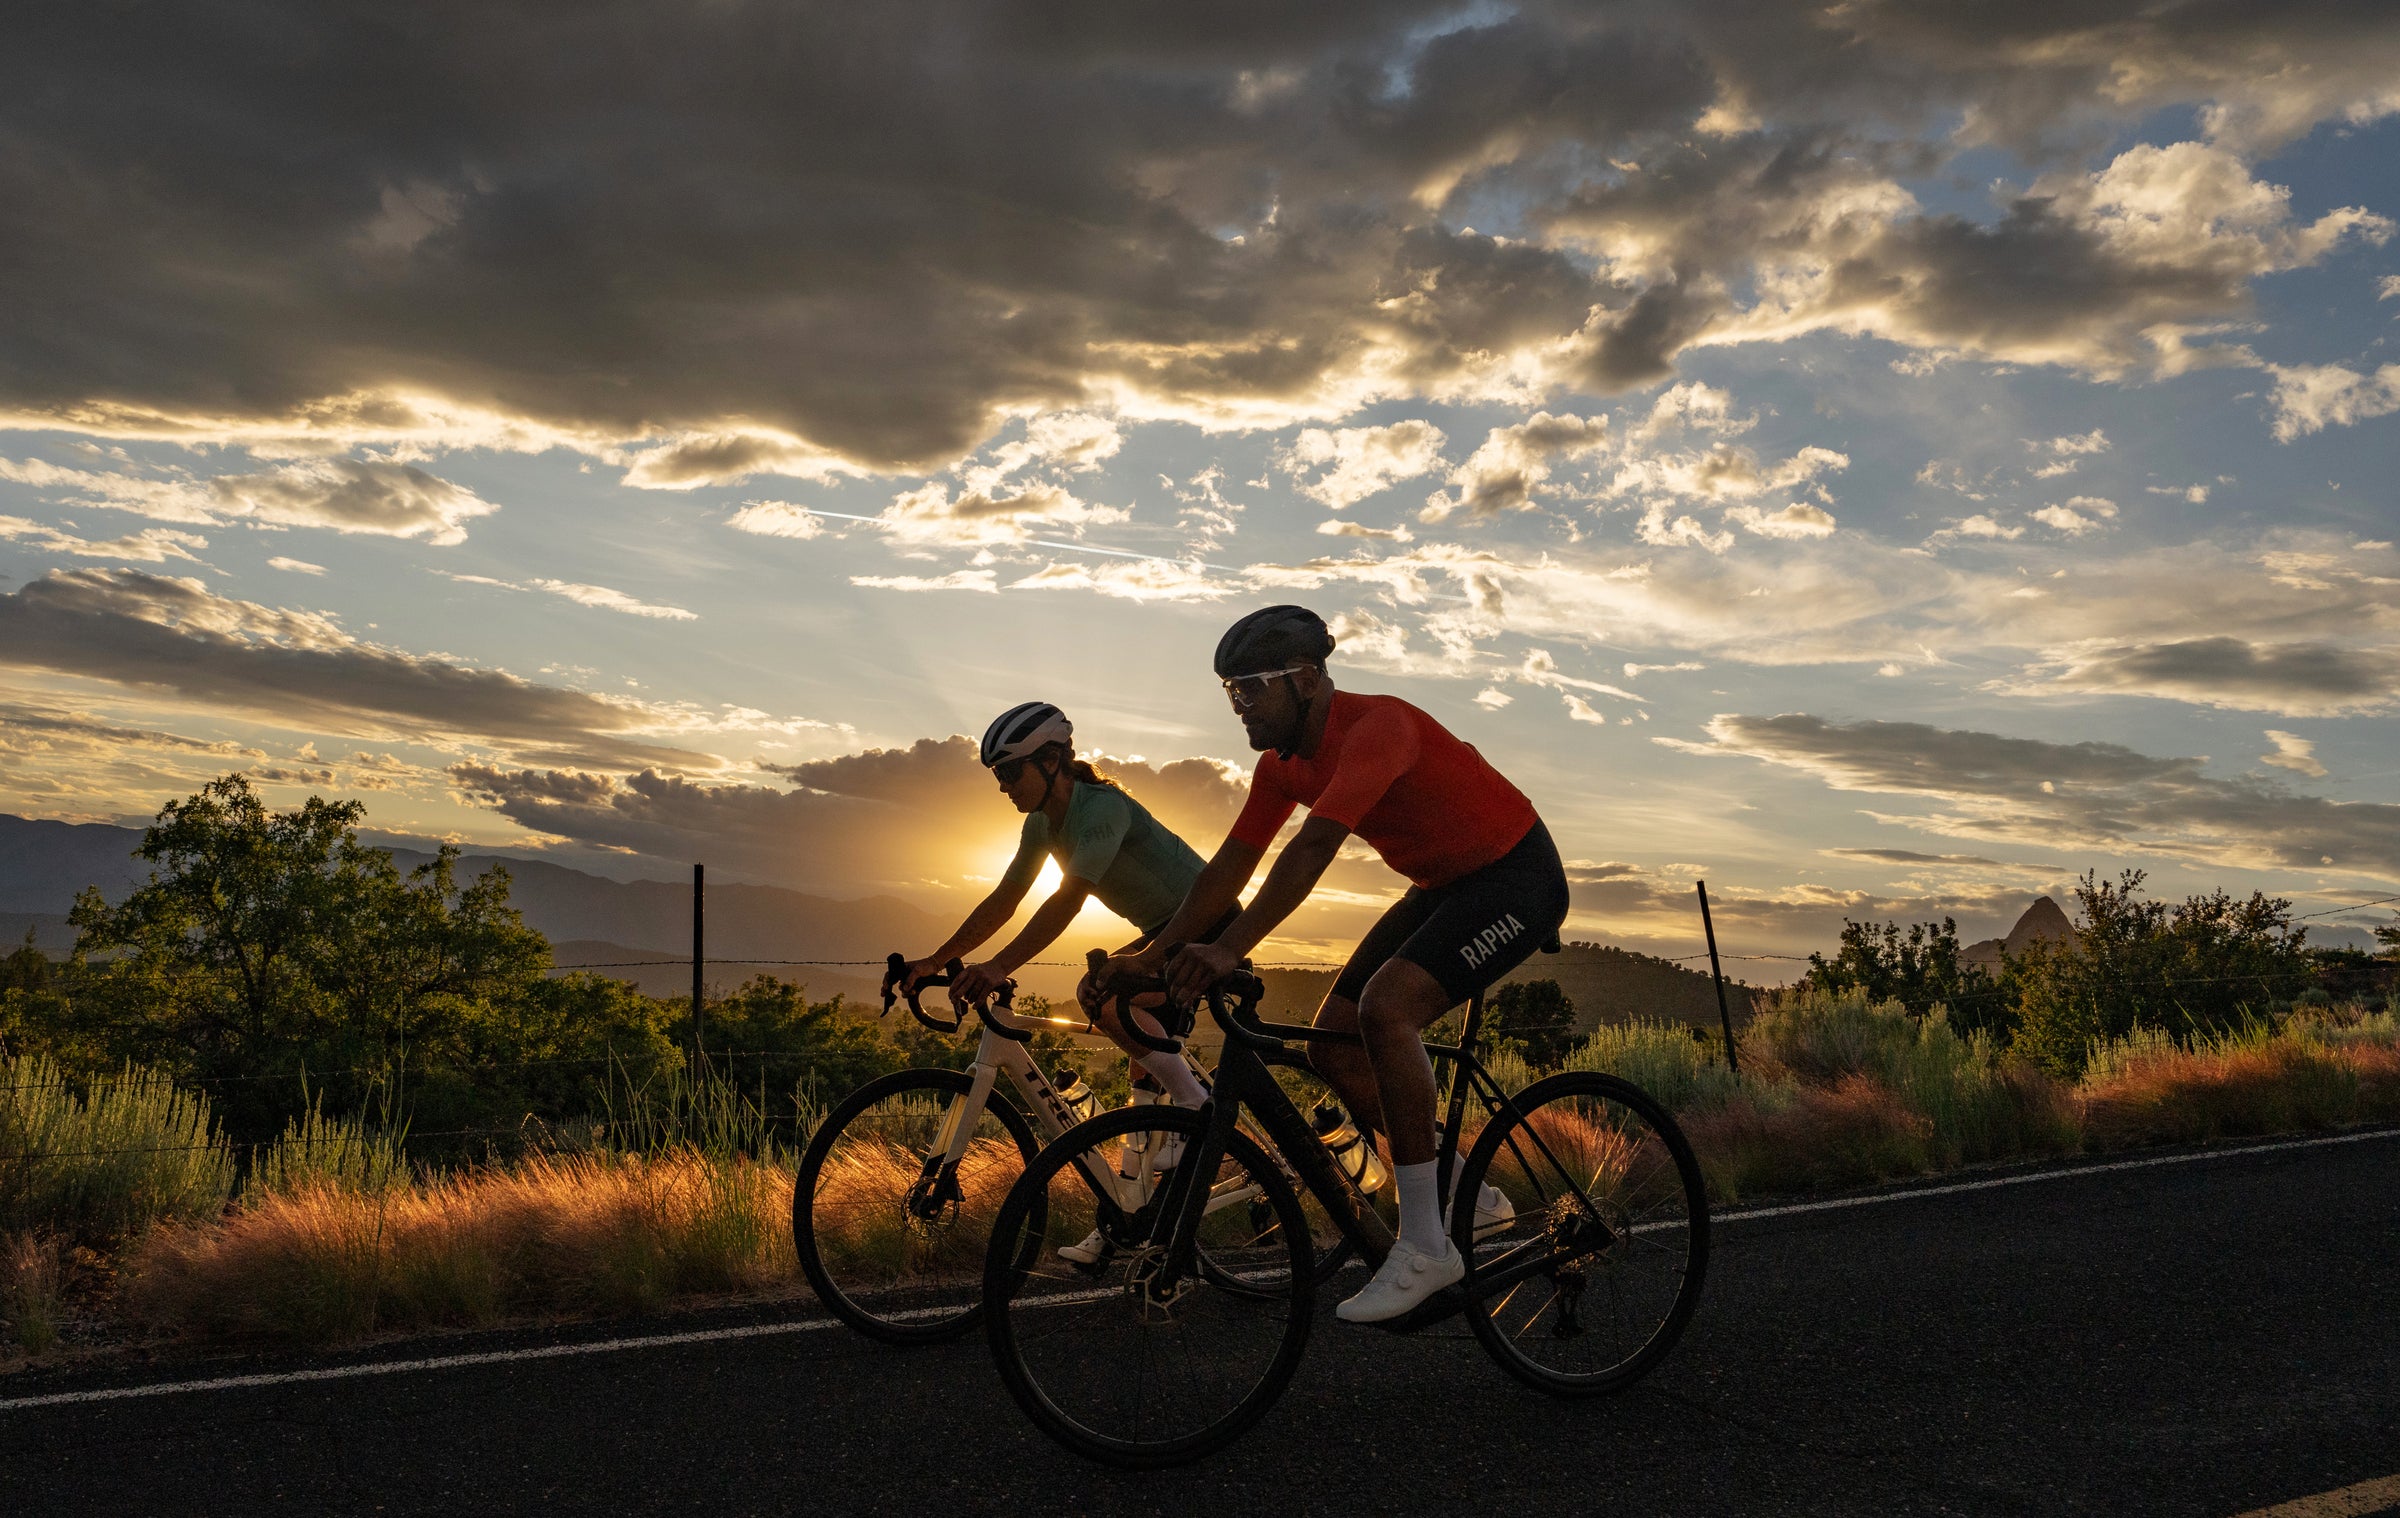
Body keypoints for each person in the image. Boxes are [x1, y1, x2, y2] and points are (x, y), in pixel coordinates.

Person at [1107, 606, 1569, 1322]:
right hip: (1442, 886)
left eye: (1251, 687)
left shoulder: (1378, 728)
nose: (1239, 704)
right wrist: (1149, 956)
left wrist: (1228, 948)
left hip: (1517, 876)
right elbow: (1230, 867)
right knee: (1334, 1044)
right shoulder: (1280, 767)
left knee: (1388, 1009)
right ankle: (1469, 1196)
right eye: (1230, 690)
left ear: (1306, 679)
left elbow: (1313, 847)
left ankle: (1426, 1246)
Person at [902, 701, 1229, 1262]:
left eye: (1011, 771)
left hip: (1208, 925)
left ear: (1051, 761)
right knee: (1121, 1028)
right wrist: (937, 959)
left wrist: (998, 966)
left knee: (1106, 1001)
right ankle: (1131, 1209)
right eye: (997, 774)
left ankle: (1198, 1112)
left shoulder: (1102, 808)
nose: (1003, 785)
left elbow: (1069, 899)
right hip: (1159, 932)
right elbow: (1005, 898)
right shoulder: (1041, 824)